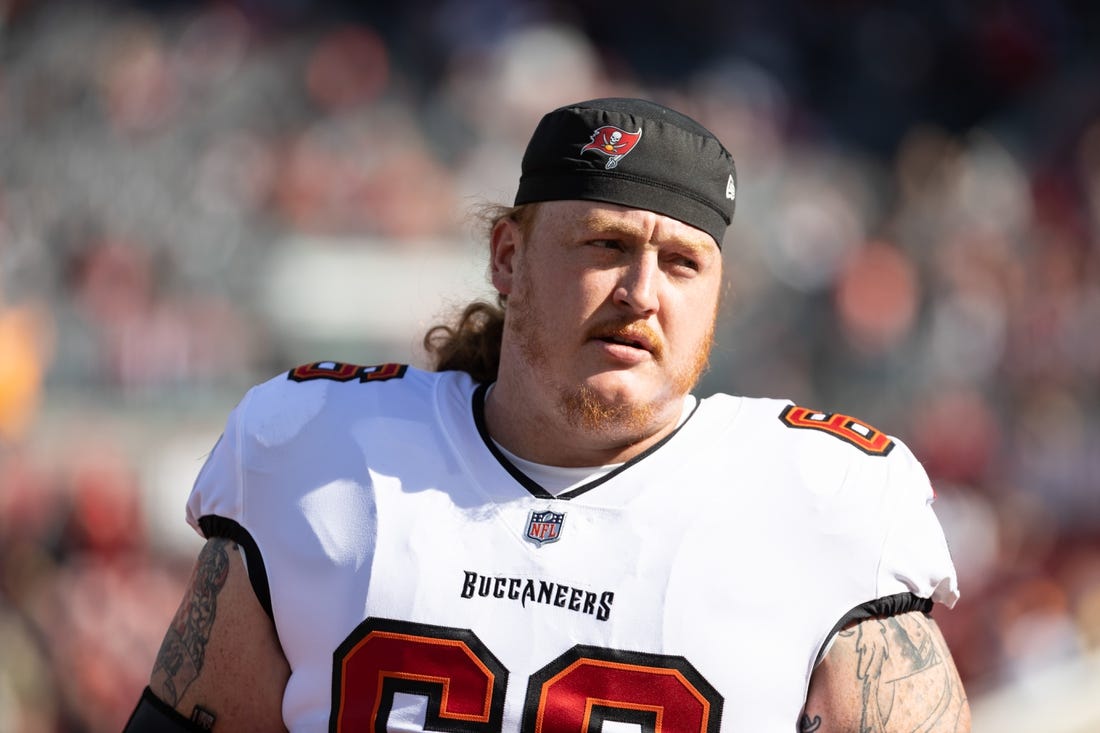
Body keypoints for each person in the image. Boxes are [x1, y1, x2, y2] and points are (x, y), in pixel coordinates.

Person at [123, 98, 970, 733]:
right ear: (508, 256)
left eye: (682, 263)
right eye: (605, 245)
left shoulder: (827, 500)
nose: (642, 293)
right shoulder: (321, 449)